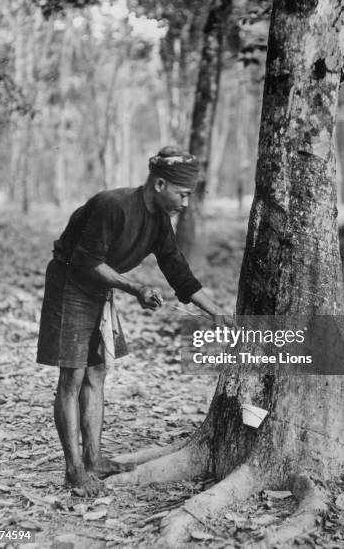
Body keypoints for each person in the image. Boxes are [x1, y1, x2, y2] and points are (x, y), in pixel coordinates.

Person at [37, 146, 228, 496]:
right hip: (70, 281)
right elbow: (85, 261)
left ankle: (94, 459)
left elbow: (178, 272)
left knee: (97, 372)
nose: (186, 203)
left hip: (100, 287)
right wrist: (135, 288)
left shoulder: (159, 224)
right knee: (73, 373)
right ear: (159, 184)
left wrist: (216, 313)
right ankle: (74, 469)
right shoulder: (114, 205)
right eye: (182, 194)